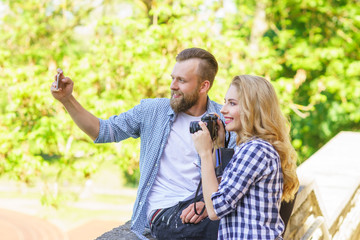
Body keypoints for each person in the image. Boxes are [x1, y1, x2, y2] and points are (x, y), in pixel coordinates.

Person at [50, 48, 236, 240]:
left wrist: (206, 203)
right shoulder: (152, 111)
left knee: (239, 220)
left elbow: (236, 176)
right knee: (217, 230)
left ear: (204, 86)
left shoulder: (223, 120)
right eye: (173, 78)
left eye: (181, 80)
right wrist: (67, 99)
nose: (173, 86)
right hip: (166, 210)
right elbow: (103, 131)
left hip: (206, 205)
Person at [191, 75, 299, 239]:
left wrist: (205, 153)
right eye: (225, 101)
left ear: (254, 109)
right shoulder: (255, 148)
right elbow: (225, 189)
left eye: (232, 103)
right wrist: (220, 147)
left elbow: (214, 209)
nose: (223, 109)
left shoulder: (255, 150)